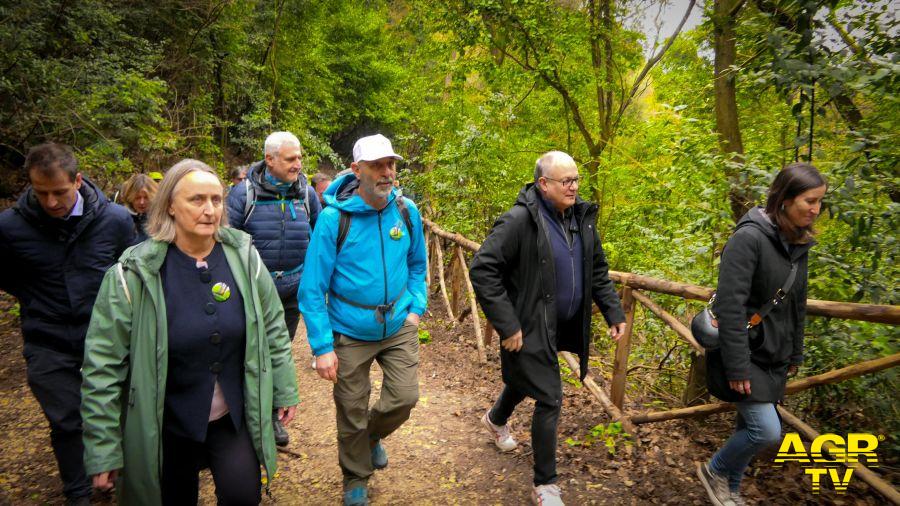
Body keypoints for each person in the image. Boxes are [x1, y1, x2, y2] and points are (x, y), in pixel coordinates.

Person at [80, 159, 300, 505]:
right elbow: (102, 367)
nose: (210, 210)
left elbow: (273, 325)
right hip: (165, 422)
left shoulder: (244, 258)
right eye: (196, 200)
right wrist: (103, 450)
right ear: (169, 204)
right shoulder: (133, 274)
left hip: (231, 416)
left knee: (244, 496)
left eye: (216, 199)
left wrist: (284, 388)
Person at [469, 151, 626, 506]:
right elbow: (483, 268)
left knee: (529, 378)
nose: (573, 187)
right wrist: (507, 324)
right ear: (543, 184)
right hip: (530, 324)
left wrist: (613, 312)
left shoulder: (580, 218)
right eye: (565, 181)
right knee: (550, 396)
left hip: (564, 323)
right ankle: (545, 485)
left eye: (575, 180)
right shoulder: (518, 221)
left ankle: (496, 420)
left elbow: (597, 269)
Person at [0, 143, 135, 505]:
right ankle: (78, 492)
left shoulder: (115, 220)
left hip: (108, 340)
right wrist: (42, 301)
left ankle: (117, 477)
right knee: (66, 420)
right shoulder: (10, 228)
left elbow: (132, 275)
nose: (51, 202)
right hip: (48, 340)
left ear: (77, 180)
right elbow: (10, 277)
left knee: (115, 411)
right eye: (40, 193)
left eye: (59, 192)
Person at [298, 134, 427, 506]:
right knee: (351, 408)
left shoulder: (406, 211)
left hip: (399, 323)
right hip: (350, 330)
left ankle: (371, 438)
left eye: (391, 164)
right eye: (377, 165)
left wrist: (416, 308)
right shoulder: (333, 219)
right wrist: (322, 346)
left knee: (404, 398)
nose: (387, 172)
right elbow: (312, 289)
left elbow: (418, 265)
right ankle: (355, 476)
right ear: (357, 170)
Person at [696, 163, 826, 506]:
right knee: (766, 431)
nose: (815, 210)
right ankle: (714, 471)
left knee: (746, 428)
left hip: (774, 355)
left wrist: (795, 353)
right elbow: (730, 305)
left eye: (820, 202)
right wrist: (737, 366)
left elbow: (797, 304)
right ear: (784, 200)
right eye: (809, 201)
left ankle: (730, 491)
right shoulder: (749, 238)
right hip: (744, 351)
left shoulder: (797, 243)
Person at [226, 131, 321, 446]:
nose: (298, 164)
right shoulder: (242, 195)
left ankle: (273, 416)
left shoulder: (307, 193)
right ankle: (248, 416)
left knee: (280, 352)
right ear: (270, 159)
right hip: (253, 291)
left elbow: (319, 237)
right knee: (251, 353)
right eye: (291, 158)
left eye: (300, 157)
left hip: (293, 287)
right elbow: (226, 244)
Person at [120, 173, 159, 242]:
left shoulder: (161, 218)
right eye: (137, 198)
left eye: (146, 198)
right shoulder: (121, 217)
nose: (142, 202)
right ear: (129, 197)